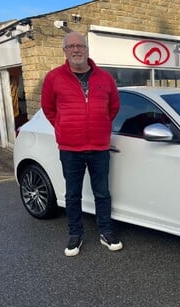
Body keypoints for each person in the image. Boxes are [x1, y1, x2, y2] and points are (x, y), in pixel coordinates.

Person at [41, 31, 122, 256]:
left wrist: (102, 124)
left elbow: (113, 107)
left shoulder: (105, 78)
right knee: (72, 194)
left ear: (87, 49)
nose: (76, 50)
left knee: (102, 193)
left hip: (99, 147)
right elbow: (48, 108)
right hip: (70, 148)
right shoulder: (54, 77)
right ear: (64, 51)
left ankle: (106, 232)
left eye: (80, 46)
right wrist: (62, 126)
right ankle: (75, 235)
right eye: (71, 46)